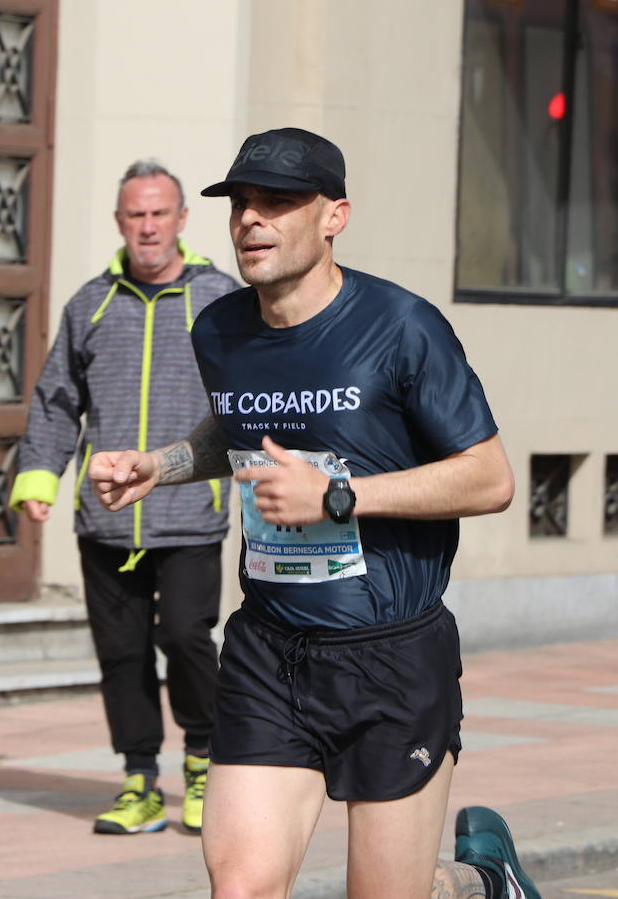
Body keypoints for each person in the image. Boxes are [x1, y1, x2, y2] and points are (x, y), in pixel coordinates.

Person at [88, 128, 540, 898]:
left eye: (277, 203)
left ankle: (479, 883)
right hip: (270, 650)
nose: (251, 220)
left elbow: (489, 479)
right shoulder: (221, 330)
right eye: (240, 204)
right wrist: (158, 467)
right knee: (242, 889)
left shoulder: (402, 327)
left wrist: (338, 496)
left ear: (334, 216)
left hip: (390, 656)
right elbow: (237, 430)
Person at [8, 160, 239, 836]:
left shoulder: (218, 300)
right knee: (122, 652)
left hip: (189, 514)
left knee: (187, 637)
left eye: (159, 213)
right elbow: (56, 400)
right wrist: (39, 476)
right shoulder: (90, 304)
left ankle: (203, 763)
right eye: (135, 214)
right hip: (105, 520)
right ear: (119, 223)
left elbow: (245, 397)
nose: (147, 226)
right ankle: (139, 781)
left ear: (181, 220)